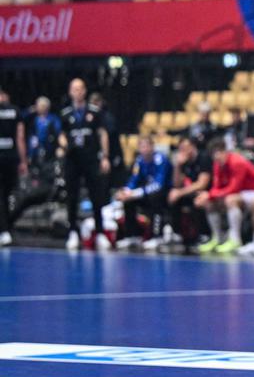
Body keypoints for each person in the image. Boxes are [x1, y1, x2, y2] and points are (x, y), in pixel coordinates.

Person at [60, 78, 112, 251]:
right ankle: (73, 232)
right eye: (74, 89)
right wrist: (63, 146)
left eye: (80, 89)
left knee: (96, 196)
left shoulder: (94, 112)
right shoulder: (66, 114)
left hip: (90, 158)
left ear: (85, 91)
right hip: (73, 160)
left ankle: (100, 232)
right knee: (72, 197)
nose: (77, 92)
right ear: (70, 92)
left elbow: (102, 133)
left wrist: (105, 157)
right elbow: (62, 134)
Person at [194, 138, 254, 254]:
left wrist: (210, 194)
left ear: (225, 151)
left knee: (230, 200)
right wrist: (208, 196)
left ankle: (235, 239)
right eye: (214, 155)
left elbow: (234, 188)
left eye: (218, 154)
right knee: (209, 203)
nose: (217, 158)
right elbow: (217, 186)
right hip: (239, 193)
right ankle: (217, 238)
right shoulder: (217, 164)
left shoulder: (237, 162)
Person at [114, 135, 172, 251]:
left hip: (164, 193)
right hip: (146, 193)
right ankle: (132, 235)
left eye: (146, 146)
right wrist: (126, 191)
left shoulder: (161, 160)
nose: (144, 150)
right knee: (128, 201)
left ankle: (157, 236)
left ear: (152, 147)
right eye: (141, 147)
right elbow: (134, 179)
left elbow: (158, 184)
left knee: (155, 198)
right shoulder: (139, 160)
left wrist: (135, 193)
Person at [166, 136, 212, 249]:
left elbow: (202, 184)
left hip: (207, 191)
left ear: (193, 147)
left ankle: (204, 234)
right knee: (172, 196)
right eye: (181, 149)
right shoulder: (184, 162)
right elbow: (177, 184)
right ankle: (177, 234)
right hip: (190, 191)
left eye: (185, 148)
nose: (183, 151)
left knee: (198, 199)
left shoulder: (204, 158)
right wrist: (177, 165)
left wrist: (180, 192)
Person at [0, 87, 27, 247]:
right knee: (9, 195)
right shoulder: (15, 111)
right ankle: (7, 228)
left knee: (2, 195)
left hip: (4, 158)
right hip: (11, 158)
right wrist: (23, 160)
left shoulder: (14, 111)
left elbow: (21, 136)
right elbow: (20, 137)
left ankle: (4, 230)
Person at [25, 96, 60, 166]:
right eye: (37, 105)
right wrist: (29, 111)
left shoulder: (53, 118)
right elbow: (21, 118)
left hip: (49, 148)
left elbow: (57, 131)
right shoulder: (33, 118)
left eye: (41, 106)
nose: (38, 107)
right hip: (34, 149)